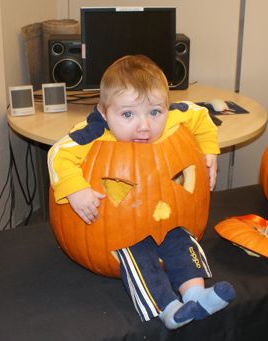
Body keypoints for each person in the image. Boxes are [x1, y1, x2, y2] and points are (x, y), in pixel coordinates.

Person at [47, 55, 235, 330]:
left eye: (155, 112)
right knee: (139, 257)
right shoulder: (92, 133)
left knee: (182, 239)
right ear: (104, 113)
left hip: (168, 223)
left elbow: (201, 116)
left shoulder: (175, 116)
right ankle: (167, 308)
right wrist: (76, 190)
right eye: (127, 115)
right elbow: (58, 154)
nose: (144, 126)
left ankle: (195, 294)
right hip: (122, 230)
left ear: (166, 108)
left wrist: (209, 150)